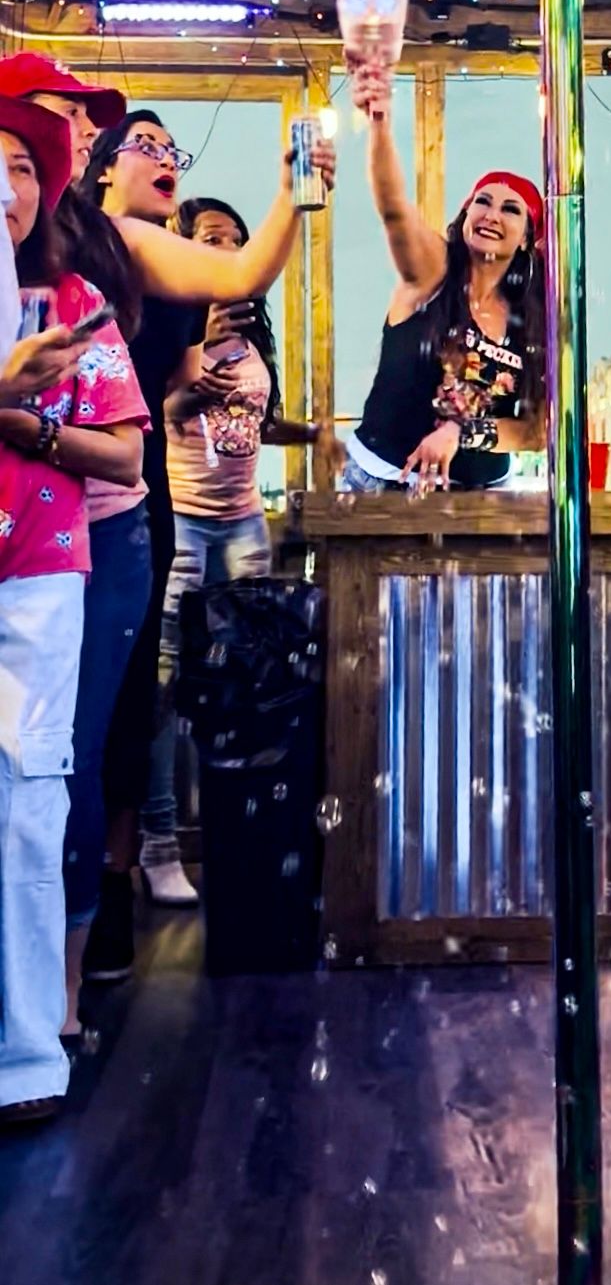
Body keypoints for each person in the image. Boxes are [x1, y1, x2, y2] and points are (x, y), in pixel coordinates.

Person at [0, 54, 334, 994]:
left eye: (81, 118)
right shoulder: (26, 231)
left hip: (104, 506)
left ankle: (84, 935)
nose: (71, 125)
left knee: (92, 730)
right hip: (55, 495)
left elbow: (239, 270)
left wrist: (293, 192)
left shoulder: (105, 249)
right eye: (55, 111)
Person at [0, 98, 148, 1126]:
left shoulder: (71, 299)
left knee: (32, 786)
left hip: (45, 560)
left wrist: (29, 428)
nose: (1, 185)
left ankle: (25, 1052)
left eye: (17, 163)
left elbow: (127, 453)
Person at [140, 195, 342, 902]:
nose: (228, 252)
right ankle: (160, 843)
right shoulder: (169, 325)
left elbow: (253, 419)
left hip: (245, 522)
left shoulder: (254, 341)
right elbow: (155, 418)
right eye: (212, 240)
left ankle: (249, 835)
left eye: (237, 241)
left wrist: (311, 434)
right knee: (165, 686)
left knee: (255, 685)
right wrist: (192, 389)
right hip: (186, 523)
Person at [344, 62, 545, 495]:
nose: (491, 214)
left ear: (528, 239)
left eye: (511, 210)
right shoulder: (434, 271)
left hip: (483, 498)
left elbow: (535, 430)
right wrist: (379, 124)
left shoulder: (530, 315)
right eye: (482, 202)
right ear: (465, 213)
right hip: (387, 484)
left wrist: (462, 432)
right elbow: (394, 209)